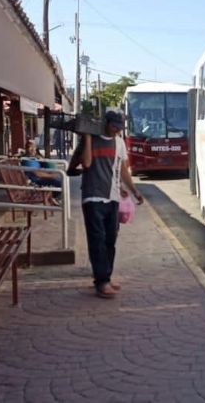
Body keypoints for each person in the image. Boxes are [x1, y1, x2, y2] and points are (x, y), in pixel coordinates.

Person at [68, 111, 143, 299]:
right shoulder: (91, 139)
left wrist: (133, 190)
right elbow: (86, 163)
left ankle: (106, 276)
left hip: (113, 197)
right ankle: (101, 282)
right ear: (105, 123)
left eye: (120, 127)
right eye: (114, 126)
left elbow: (122, 169)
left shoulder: (119, 142)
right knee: (97, 240)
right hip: (93, 197)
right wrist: (86, 136)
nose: (117, 130)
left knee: (111, 239)